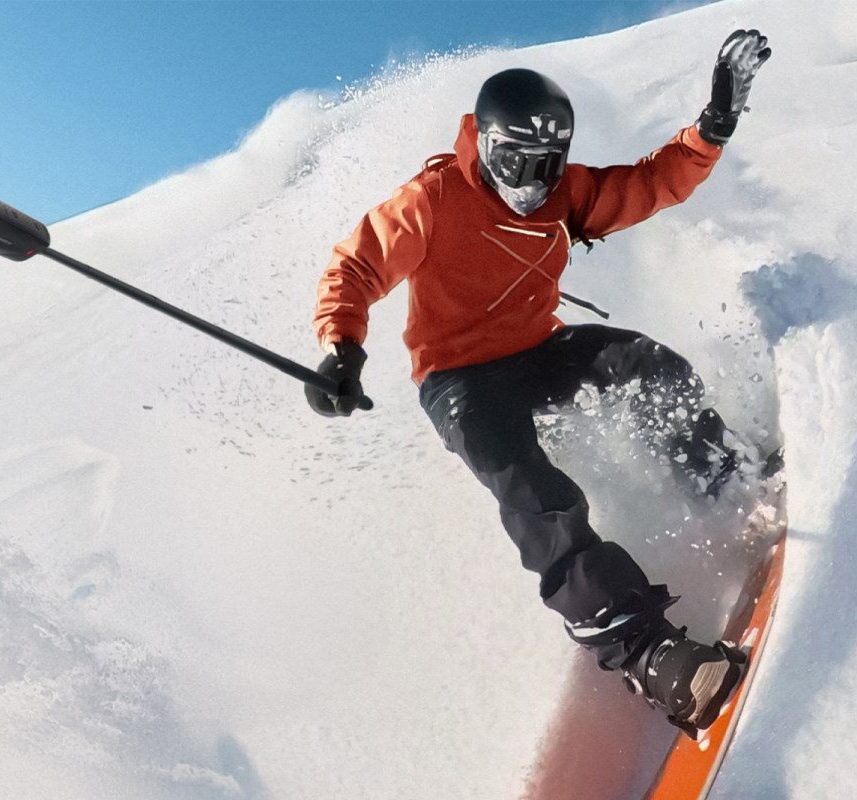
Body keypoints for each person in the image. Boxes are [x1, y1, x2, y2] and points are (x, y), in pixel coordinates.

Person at [306, 30, 772, 735]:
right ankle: (641, 650)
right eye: (515, 162)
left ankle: (724, 478)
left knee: (646, 365)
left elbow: (646, 184)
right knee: (532, 491)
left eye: (547, 165)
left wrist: (712, 128)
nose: (531, 182)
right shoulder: (431, 200)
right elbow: (356, 266)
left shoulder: (565, 193)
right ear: (485, 146)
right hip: (460, 380)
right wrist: (341, 347)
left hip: (538, 351)